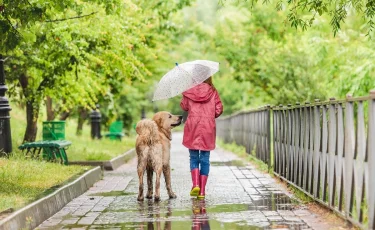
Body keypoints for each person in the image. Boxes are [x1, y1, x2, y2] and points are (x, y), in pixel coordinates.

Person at [180, 77, 223, 199]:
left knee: (193, 157)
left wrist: (185, 94)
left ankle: (195, 185)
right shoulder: (213, 91)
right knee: (205, 158)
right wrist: (210, 114)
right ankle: (202, 191)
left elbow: (184, 106)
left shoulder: (189, 90)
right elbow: (219, 109)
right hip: (207, 126)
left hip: (192, 126)